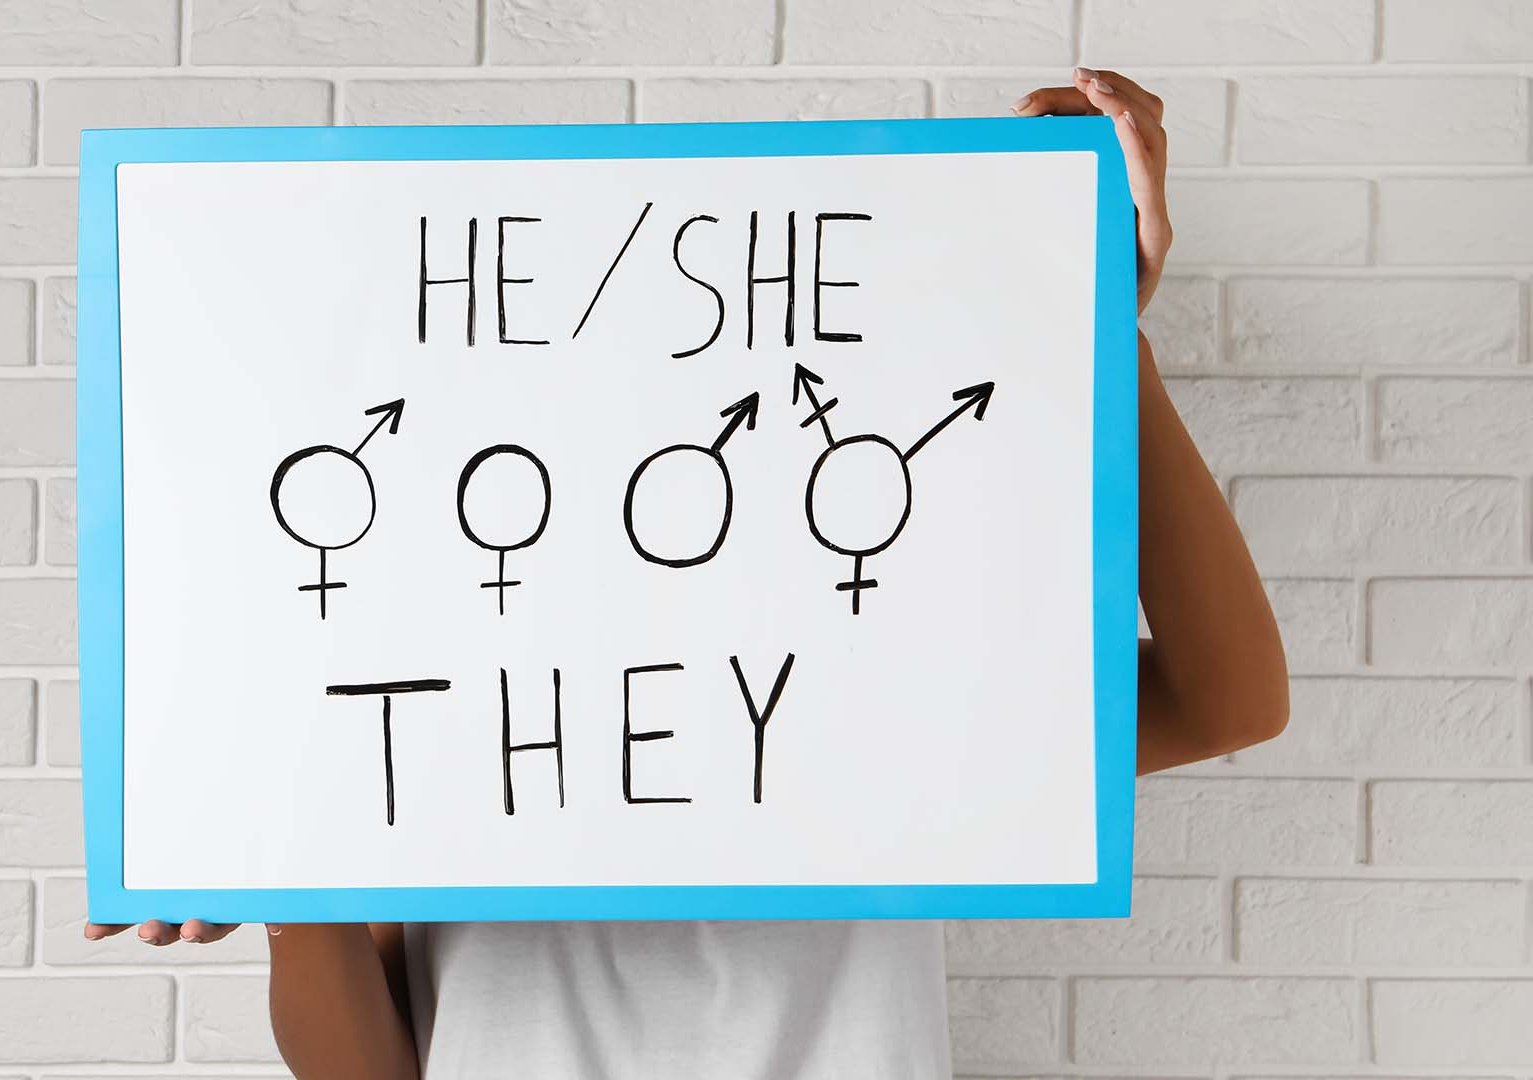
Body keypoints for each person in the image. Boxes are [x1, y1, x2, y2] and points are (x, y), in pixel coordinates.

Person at [87, 67, 1290, 1079]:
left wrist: (1081, 328)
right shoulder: (438, 675)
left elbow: (1225, 697)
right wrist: (282, 861)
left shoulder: (890, 671)